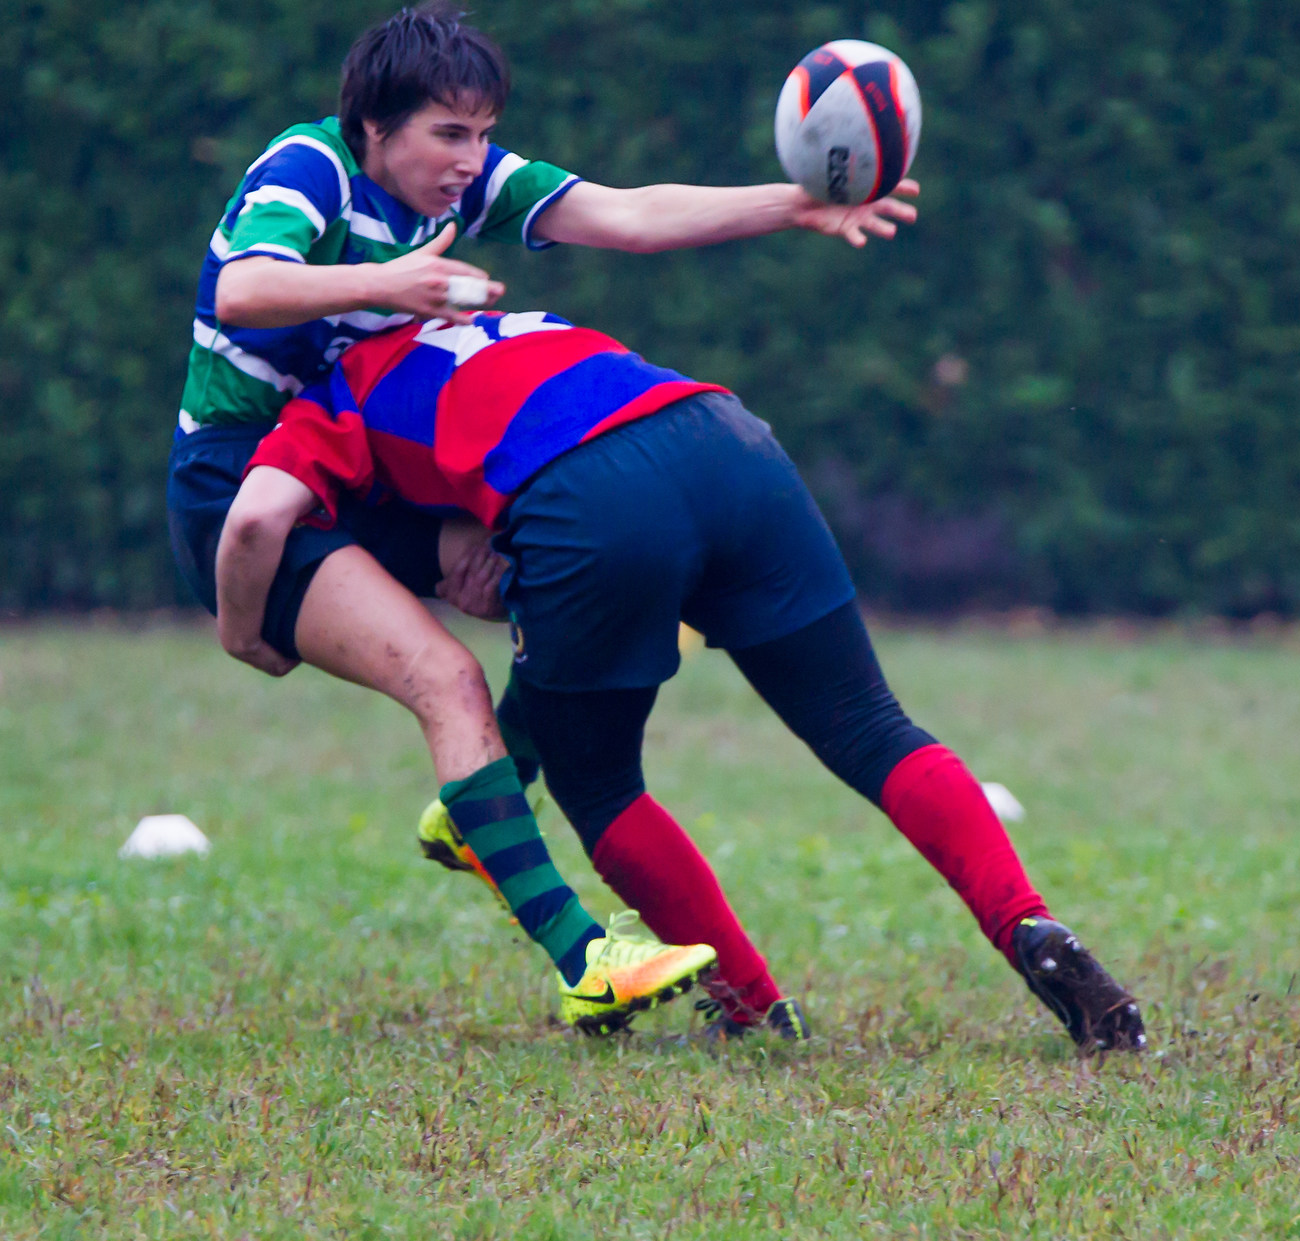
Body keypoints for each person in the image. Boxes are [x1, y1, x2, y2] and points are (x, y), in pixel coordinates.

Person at [169, 0, 919, 1029]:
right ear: (374, 127)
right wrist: (394, 282)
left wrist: (790, 203)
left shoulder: (456, 185)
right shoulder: (310, 167)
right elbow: (244, 290)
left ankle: (482, 800)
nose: (471, 159)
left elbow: (627, 216)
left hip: (348, 474)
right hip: (237, 485)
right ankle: (584, 957)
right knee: (446, 676)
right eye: (449, 134)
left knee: (559, 574)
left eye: (481, 134)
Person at [214, 307, 1147, 1051]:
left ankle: (755, 1010)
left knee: (603, 784)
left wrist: (244, 627)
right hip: (723, 437)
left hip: (596, 496)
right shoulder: (487, 318)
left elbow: (260, 520)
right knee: (870, 724)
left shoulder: (326, 397)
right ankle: (1026, 924)